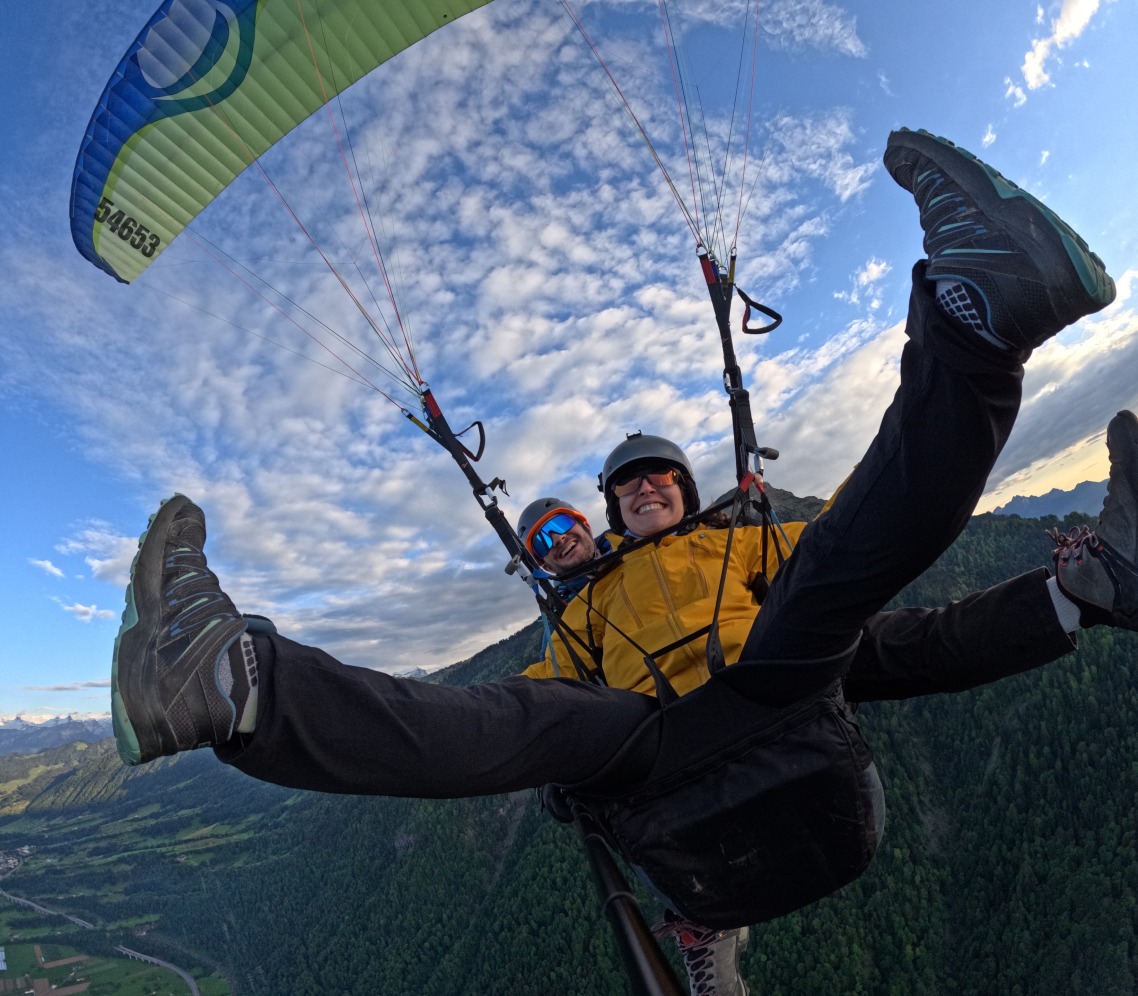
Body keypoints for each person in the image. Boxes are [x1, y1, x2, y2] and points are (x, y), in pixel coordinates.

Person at [111, 130, 1136, 949]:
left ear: (687, 495)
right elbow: (543, 702)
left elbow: (869, 570)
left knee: (839, 580)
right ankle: (233, 684)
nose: (644, 488)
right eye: (624, 487)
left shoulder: (744, 542)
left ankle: (977, 320)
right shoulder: (590, 605)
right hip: (647, 743)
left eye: (659, 478)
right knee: (518, 718)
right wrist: (567, 760)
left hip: (766, 687)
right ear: (610, 517)